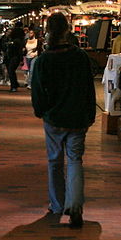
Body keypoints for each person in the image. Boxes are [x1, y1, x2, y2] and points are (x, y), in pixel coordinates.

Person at [30, 12, 96, 228]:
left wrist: (41, 111)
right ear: (68, 30)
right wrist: (90, 113)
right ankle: (75, 205)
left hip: (54, 118)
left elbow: (38, 92)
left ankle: (57, 205)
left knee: (54, 162)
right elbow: (89, 87)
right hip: (78, 117)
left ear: (47, 31)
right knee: (75, 160)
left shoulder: (43, 60)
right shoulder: (80, 57)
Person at [5, 22, 26, 92]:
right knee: (11, 71)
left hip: (13, 56)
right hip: (13, 57)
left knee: (11, 71)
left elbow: (19, 50)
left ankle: (14, 85)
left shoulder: (16, 41)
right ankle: (14, 84)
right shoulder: (19, 40)